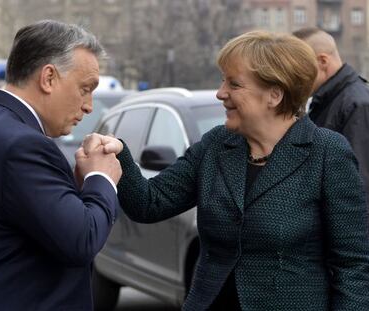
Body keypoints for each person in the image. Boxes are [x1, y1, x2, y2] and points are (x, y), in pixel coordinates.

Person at [84, 31, 369, 310]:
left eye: (234, 84)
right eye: (223, 82)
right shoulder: (217, 145)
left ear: (274, 94)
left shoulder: (326, 152)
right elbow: (150, 203)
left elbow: (352, 263)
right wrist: (118, 154)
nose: (221, 93)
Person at [0, 20, 122, 310]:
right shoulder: (22, 145)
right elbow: (81, 240)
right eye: (85, 88)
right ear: (48, 78)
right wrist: (101, 177)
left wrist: (77, 187)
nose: (89, 106)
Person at [293, 27, 369, 203]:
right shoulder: (329, 100)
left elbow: (357, 187)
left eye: (297, 66)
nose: (292, 75)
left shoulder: (356, 104)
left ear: (322, 61)